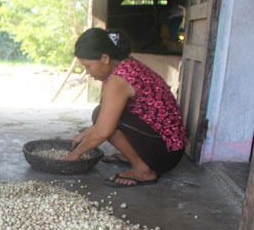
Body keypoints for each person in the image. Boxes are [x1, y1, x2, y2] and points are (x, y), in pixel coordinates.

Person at [61, 27, 187, 187]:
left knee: (102, 117)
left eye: (88, 66)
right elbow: (110, 114)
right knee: (102, 115)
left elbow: (103, 130)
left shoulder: (119, 79)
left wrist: (74, 155)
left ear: (105, 58)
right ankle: (135, 156)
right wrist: (84, 135)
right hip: (170, 147)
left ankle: (143, 169)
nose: (86, 72)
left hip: (166, 154)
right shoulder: (125, 65)